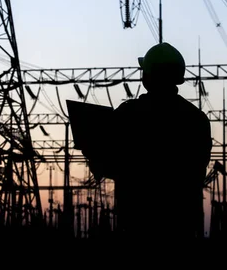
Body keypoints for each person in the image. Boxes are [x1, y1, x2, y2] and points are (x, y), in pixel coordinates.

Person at [89, 42, 212, 241]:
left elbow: (107, 164)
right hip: (181, 222)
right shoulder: (196, 119)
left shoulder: (128, 115)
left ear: (148, 77)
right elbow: (198, 170)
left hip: (137, 221)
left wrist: (93, 151)